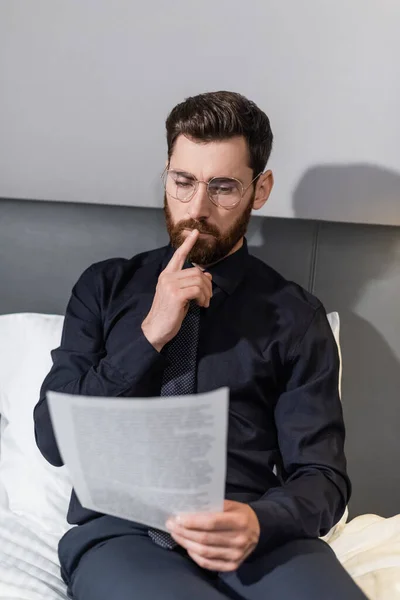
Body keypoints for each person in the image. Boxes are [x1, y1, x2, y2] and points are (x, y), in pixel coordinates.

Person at [33, 91, 367, 599]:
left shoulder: (297, 315)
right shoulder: (104, 288)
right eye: (182, 182)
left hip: (257, 534)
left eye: (224, 188)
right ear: (166, 173)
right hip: (123, 534)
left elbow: (322, 476)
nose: (197, 209)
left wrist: (260, 519)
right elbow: (52, 439)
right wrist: (151, 334)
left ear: (260, 189)